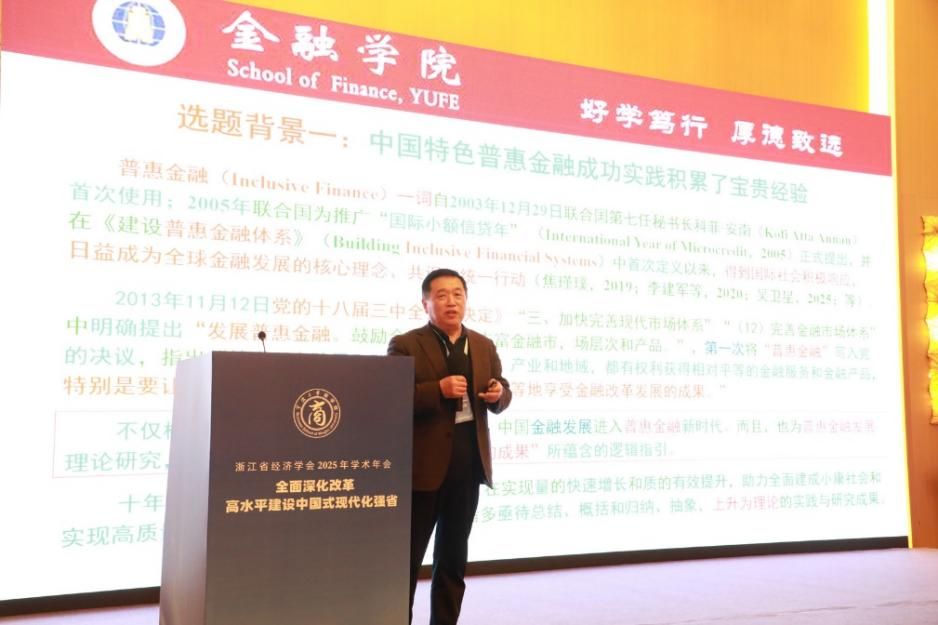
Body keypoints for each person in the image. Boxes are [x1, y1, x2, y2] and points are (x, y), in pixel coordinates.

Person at [388, 268, 512, 625]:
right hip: (422, 470)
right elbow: (390, 397)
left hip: (467, 465)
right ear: (425, 303)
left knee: (453, 560)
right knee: (406, 563)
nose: (451, 302)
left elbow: (502, 388)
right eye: (441, 295)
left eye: (458, 294)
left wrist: (499, 394)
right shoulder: (406, 344)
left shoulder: (483, 344)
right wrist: (436, 391)